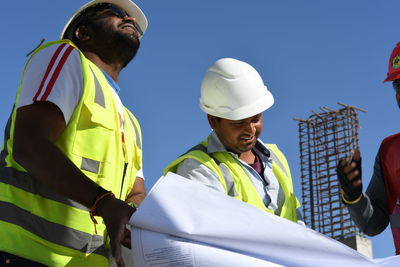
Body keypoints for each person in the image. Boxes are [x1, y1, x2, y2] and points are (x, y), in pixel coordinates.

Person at [0, 0, 148, 266]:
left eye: (133, 21)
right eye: (117, 14)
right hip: (24, 252)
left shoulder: (131, 122)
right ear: (83, 33)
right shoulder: (65, 57)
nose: (131, 21)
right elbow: (30, 144)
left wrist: (133, 214)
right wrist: (102, 202)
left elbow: (136, 191)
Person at [164, 58, 302, 223]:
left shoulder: (276, 157)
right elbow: (211, 234)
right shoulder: (197, 169)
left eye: (255, 119)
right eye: (239, 123)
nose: (250, 130)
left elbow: (297, 222)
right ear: (214, 121)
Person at [336, 42, 400, 255]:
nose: (399, 95)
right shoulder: (389, 151)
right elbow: (373, 224)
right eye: (397, 86)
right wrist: (354, 197)